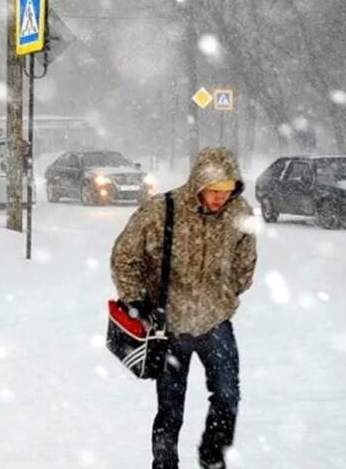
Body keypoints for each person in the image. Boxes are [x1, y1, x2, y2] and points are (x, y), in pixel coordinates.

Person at [111, 147, 258, 469]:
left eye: (227, 190)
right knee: (170, 408)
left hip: (215, 322)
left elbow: (245, 263)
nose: (221, 198)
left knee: (227, 396)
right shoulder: (162, 210)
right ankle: (164, 464)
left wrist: (227, 295)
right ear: (198, 184)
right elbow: (125, 255)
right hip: (170, 326)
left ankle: (213, 459)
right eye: (214, 190)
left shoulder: (239, 212)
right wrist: (135, 299)